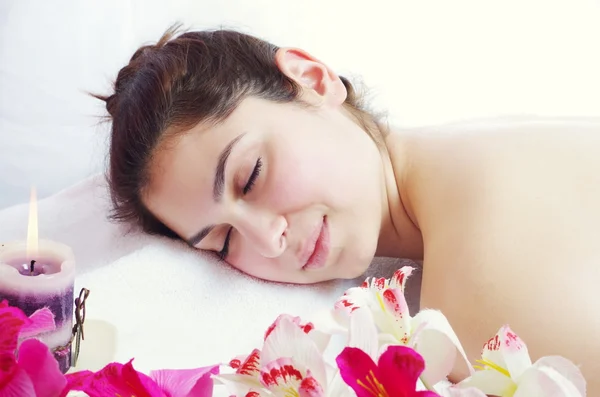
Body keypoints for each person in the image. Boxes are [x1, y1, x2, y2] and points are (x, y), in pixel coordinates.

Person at [98, 25, 600, 393]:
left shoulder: (475, 296)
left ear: (312, 79)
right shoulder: (487, 145)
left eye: (250, 176)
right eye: (223, 241)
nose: (267, 240)